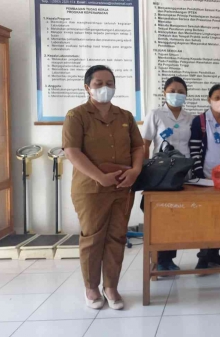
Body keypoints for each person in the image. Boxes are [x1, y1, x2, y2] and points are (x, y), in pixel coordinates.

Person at [63, 65, 143, 310]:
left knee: (116, 236)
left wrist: (136, 171)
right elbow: (72, 151)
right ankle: (91, 288)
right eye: (98, 83)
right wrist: (99, 177)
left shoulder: (125, 116)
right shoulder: (76, 116)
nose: (105, 88)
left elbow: (138, 147)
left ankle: (111, 286)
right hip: (91, 189)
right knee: (93, 238)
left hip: (122, 187)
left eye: (109, 83)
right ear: (87, 87)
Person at [142, 76, 193, 272]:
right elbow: (145, 144)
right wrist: (144, 170)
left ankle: (168, 258)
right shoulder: (156, 114)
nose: (176, 94)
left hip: (184, 173)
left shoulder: (190, 118)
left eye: (181, 91)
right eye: (172, 91)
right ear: (164, 92)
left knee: (177, 216)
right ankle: (160, 259)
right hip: (161, 173)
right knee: (162, 216)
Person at [189, 84, 220, 271]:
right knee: (206, 218)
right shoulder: (200, 121)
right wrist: (199, 172)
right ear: (209, 99)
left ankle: (215, 254)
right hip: (207, 176)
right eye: (217, 98)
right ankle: (203, 256)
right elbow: (194, 148)